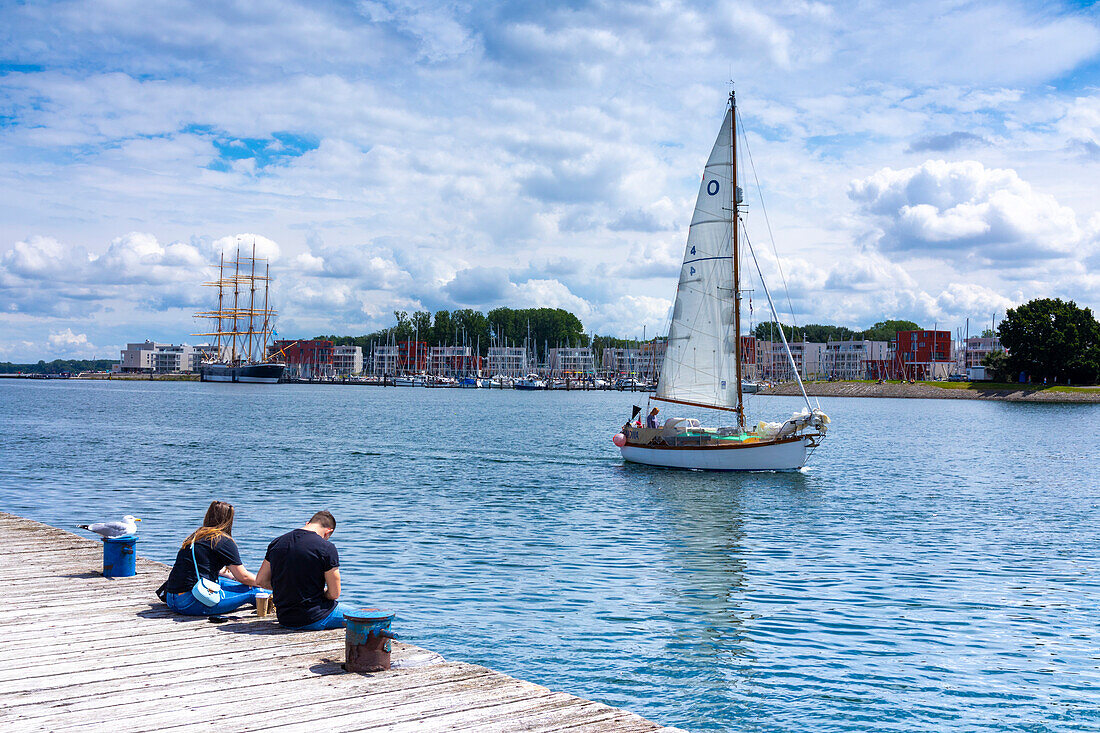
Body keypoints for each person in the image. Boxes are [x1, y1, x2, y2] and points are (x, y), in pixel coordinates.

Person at [162, 501, 261, 616]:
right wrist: (269, 583)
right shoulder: (222, 540)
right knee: (254, 591)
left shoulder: (195, 536)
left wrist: (232, 576)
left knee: (226, 581)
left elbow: (203, 566)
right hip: (191, 602)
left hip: (171, 598)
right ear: (229, 520)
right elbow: (243, 576)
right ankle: (280, 598)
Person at [255, 510, 350, 631]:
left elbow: (261, 581)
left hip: (285, 619)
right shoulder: (326, 547)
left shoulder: (277, 543)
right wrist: (318, 593)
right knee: (368, 618)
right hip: (315, 617)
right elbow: (334, 593)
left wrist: (288, 590)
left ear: (307, 523)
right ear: (328, 532)